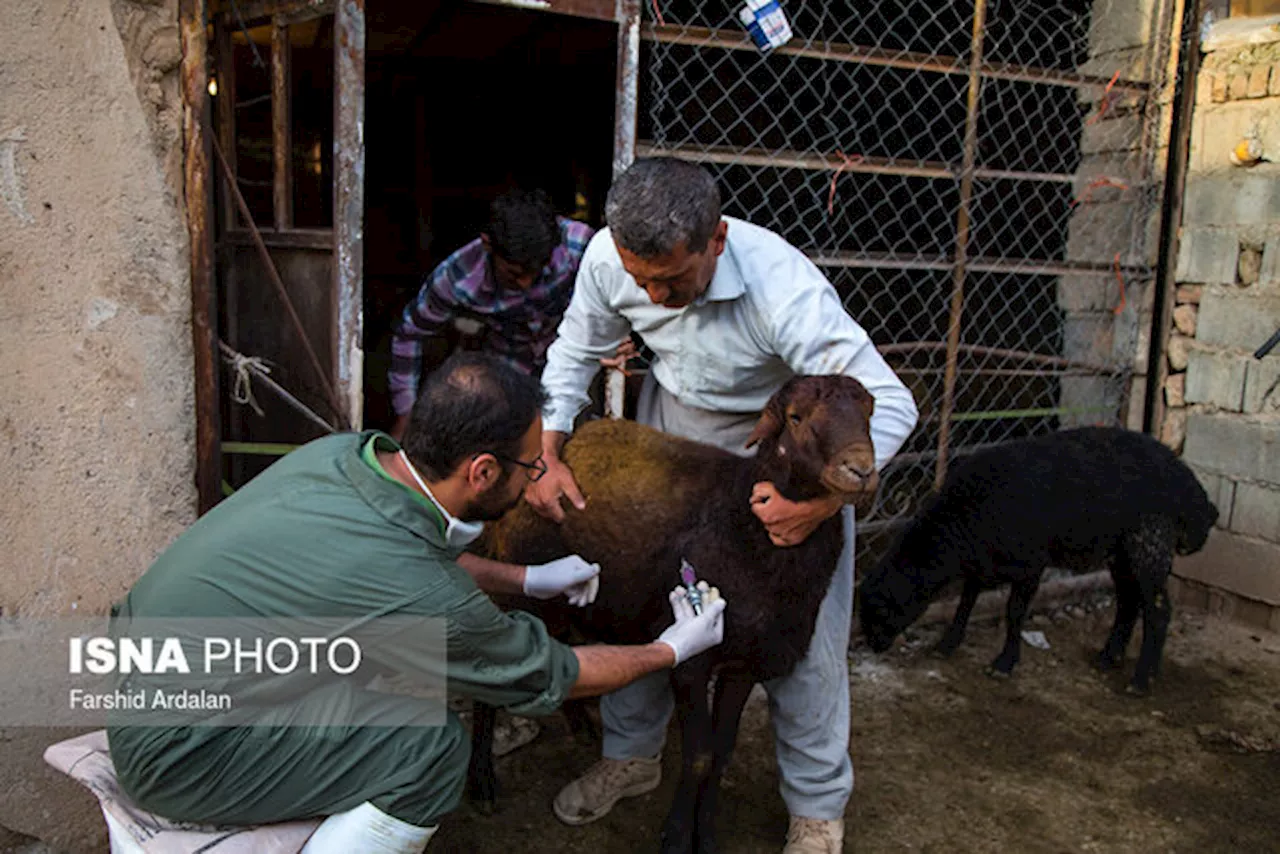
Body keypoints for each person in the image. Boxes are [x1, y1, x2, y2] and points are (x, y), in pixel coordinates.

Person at [106, 352, 727, 854]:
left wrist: (528, 578)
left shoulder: (346, 457)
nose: (535, 478)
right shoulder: (429, 599)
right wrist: (671, 647)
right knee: (430, 744)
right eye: (530, 468)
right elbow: (553, 674)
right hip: (177, 753)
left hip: (144, 677)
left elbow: (412, 551)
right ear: (483, 472)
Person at [527, 158, 919, 854]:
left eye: (671, 280)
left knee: (805, 641)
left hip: (793, 454)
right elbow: (576, 347)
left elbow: (887, 403)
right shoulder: (607, 257)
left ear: (717, 241)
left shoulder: (782, 286)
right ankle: (632, 757)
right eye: (639, 278)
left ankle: (817, 806)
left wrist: (820, 506)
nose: (650, 293)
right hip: (678, 428)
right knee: (645, 597)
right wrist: (551, 447)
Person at [387, 188, 595, 439]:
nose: (526, 283)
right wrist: (406, 412)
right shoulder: (457, 278)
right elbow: (410, 335)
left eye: (537, 271)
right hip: (508, 367)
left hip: (577, 360)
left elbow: (615, 295)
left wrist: (613, 337)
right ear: (488, 245)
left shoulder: (581, 246)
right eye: (514, 274)